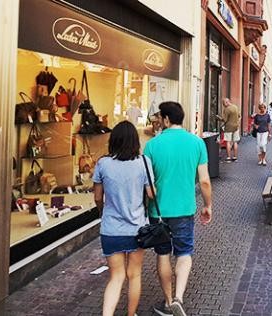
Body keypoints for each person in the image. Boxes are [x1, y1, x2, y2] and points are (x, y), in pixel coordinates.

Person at [144, 102, 213, 316]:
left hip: (159, 212)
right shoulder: (196, 143)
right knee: (184, 253)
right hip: (185, 209)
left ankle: (167, 301)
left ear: (166, 119)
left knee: (163, 255)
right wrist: (207, 205)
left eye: (160, 118)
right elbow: (204, 182)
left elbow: (147, 183)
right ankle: (178, 298)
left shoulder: (151, 146)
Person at [93, 121, 154, 316]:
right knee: (134, 275)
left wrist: (102, 212)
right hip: (137, 229)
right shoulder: (143, 162)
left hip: (110, 229)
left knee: (115, 277)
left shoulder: (103, 163)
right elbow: (151, 194)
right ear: (135, 141)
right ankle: (131, 314)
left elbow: (97, 196)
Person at [216, 98, 240, 163]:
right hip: (236, 127)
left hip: (228, 127)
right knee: (235, 142)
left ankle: (228, 157)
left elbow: (224, 120)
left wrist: (218, 118)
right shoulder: (236, 107)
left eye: (223, 104)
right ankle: (235, 157)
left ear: (226, 102)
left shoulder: (227, 109)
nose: (223, 105)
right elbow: (239, 116)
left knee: (228, 142)